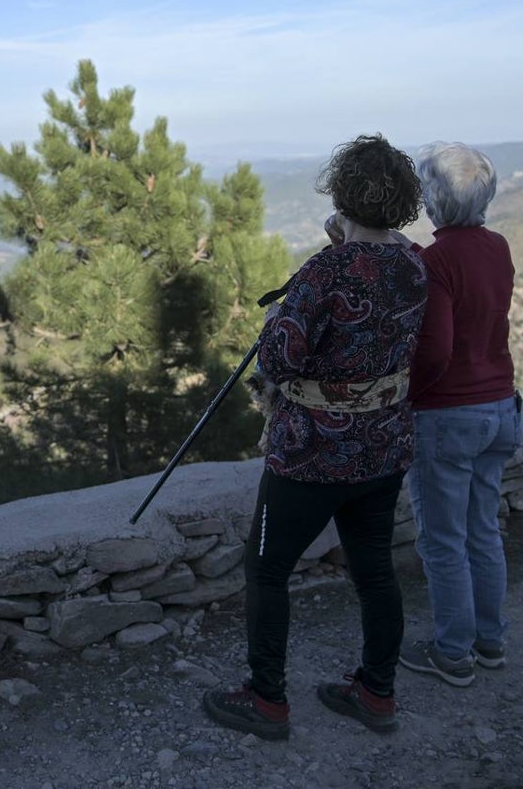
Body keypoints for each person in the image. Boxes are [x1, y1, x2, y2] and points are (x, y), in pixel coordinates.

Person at [203, 134, 428, 739]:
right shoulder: (412, 264)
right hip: (384, 447)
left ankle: (267, 700)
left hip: (311, 453)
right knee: (375, 570)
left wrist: (278, 315)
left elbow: (277, 362)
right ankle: (376, 693)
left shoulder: (324, 269)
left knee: (267, 568)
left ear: (342, 194)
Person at [398, 142, 519, 686]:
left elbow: (438, 349)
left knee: (444, 540)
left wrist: (411, 396)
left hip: (449, 413)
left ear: (434, 199)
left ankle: (452, 653)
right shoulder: (499, 247)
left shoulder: (437, 260)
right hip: (500, 406)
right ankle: (490, 642)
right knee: (483, 531)